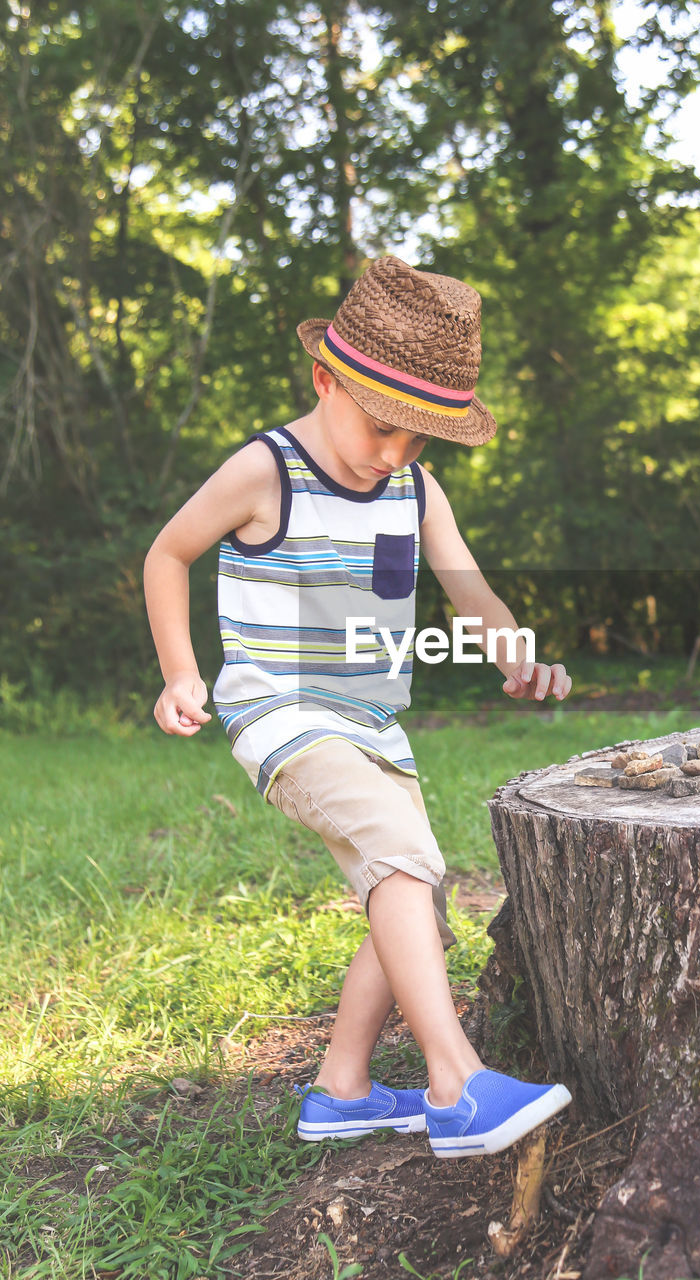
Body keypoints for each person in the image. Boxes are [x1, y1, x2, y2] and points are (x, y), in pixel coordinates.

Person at [144, 255, 572, 1158]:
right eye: (383, 430)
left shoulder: (412, 489)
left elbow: (474, 594)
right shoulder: (268, 469)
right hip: (284, 717)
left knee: (412, 884)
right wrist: (182, 671)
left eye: (418, 440)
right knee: (402, 859)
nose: (395, 455)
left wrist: (517, 655)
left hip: (374, 726)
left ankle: (341, 1087)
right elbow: (168, 553)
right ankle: (456, 1082)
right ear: (323, 380)